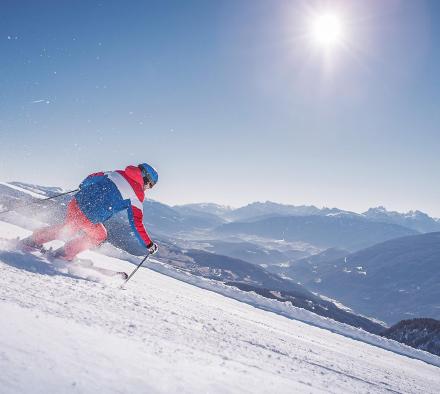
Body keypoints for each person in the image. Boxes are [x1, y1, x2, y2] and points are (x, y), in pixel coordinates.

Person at [21, 163, 159, 261]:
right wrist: (148, 244)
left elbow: (94, 176)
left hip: (76, 202)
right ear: (146, 179)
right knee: (99, 235)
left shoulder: (117, 173)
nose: (148, 188)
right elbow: (136, 223)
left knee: (68, 228)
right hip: (89, 216)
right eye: (150, 185)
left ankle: (33, 240)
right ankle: (64, 253)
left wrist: (83, 186)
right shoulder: (137, 195)